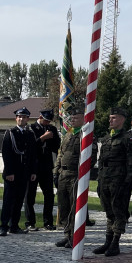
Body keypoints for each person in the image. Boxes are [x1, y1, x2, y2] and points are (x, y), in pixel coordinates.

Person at [91, 108, 132, 257]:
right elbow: (101, 161)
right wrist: (99, 181)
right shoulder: (106, 139)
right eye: (110, 117)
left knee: (118, 212)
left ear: (122, 119)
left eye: (114, 118)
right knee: (109, 212)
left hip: (119, 181)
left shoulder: (128, 138)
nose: (110, 120)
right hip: (105, 180)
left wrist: (127, 183)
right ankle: (108, 241)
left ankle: (115, 243)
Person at [54, 102, 96, 249]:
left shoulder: (85, 135)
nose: (72, 119)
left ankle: (74, 236)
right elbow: (61, 154)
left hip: (75, 175)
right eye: (71, 117)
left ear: (83, 118)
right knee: (63, 206)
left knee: (74, 208)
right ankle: (67, 235)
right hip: (63, 175)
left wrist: (82, 174)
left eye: (76, 117)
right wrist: (56, 172)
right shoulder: (68, 135)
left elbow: (92, 157)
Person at [0, 107, 38, 237]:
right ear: (16, 118)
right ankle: (4, 226)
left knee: (19, 200)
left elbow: (32, 155)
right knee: (8, 200)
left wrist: (33, 172)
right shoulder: (10, 133)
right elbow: (6, 154)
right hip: (12, 172)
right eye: (19, 117)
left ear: (27, 119)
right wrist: (9, 172)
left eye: (24, 117)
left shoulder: (29, 134)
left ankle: (14, 226)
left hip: (24, 172)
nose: (21, 119)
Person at [24, 109, 60, 230]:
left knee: (49, 194)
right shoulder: (31, 128)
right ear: (40, 117)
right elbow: (30, 146)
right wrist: (43, 138)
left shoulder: (52, 129)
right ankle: (30, 221)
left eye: (49, 121)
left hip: (47, 164)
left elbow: (56, 146)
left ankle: (48, 222)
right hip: (34, 165)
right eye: (45, 120)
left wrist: (51, 138)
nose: (47, 123)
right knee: (30, 195)